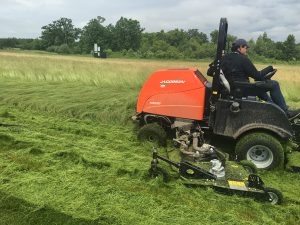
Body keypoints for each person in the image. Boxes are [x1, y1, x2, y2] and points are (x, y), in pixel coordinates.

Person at [221, 38, 300, 120]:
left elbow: (210, 71)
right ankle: (287, 114)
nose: (246, 50)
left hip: (235, 88)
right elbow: (257, 76)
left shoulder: (224, 58)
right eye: (245, 48)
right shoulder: (243, 59)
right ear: (239, 47)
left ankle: (278, 110)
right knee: (274, 84)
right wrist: (270, 67)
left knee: (260, 89)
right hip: (242, 89)